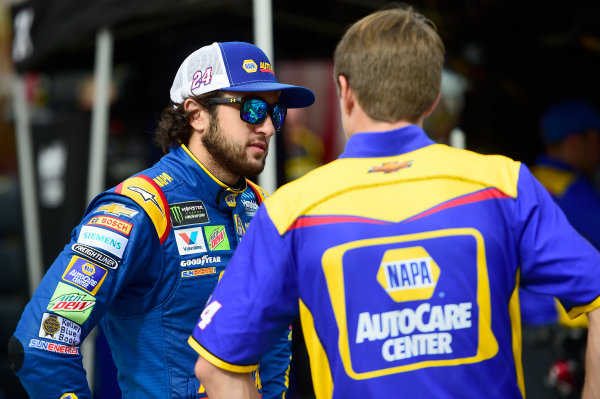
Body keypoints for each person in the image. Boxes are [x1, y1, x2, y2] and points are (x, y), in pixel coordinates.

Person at [188, 6, 600, 399]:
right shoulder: (505, 185)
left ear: (345, 92)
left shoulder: (290, 211)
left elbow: (216, 367)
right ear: (433, 97)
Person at [8, 41, 315, 399]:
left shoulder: (262, 207)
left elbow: (275, 336)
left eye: (275, 114)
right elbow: (39, 343)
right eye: (252, 109)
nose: (267, 127)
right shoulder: (136, 209)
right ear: (196, 113)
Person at [520, 99, 600, 398]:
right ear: (575, 141)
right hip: (557, 339)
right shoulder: (576, 192)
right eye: (596, 139)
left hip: (518, 332)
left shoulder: (524, 180)